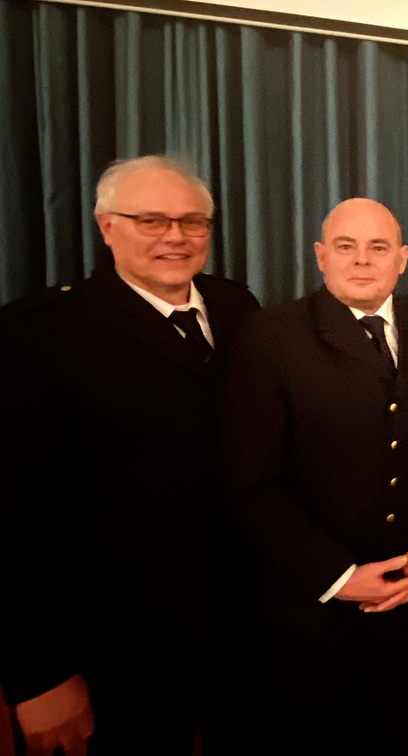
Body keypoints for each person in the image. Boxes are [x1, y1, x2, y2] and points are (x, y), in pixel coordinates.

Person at [0, 155, 261, 755]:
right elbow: (13, 518)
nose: (176, 236)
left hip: (240, 632)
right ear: (106, 225)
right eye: (152, 220)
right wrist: (38, 674)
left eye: (194, 222)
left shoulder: (237, 308)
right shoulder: (37, 334)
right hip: (116, 647)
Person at [222, 197, 408, 753]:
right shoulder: (271, 335)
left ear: (403, 259)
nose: (362, 260)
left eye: (378, 247)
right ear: (320, 257)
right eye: (346, 247)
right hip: (314, 607)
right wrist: (340, 578)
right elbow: (250, 483)